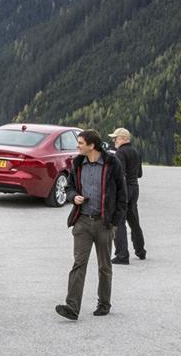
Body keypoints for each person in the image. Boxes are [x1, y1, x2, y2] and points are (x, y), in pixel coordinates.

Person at [55, 130, 127, 320]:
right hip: (82, 222)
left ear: (91, 145)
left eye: (80, 143)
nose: (77, 146)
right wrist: (73, 197)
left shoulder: (112, 163)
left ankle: (104, 303)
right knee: (79, 264)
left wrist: (114, 222)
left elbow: (122, 194)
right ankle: (72, 307)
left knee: (104, 266)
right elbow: (68, 187)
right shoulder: (77, 163)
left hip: (104, 223)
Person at [109, 127, 146, 264]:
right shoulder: (136, 152)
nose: (114, 141)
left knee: (119, 221)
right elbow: (140, 174)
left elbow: (120, 174)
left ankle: (122, 255)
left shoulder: (120, 153)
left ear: (124, 139)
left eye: (116, 138)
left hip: (124, 189)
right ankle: (141, 251)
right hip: (135, 188)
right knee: (134, 220)